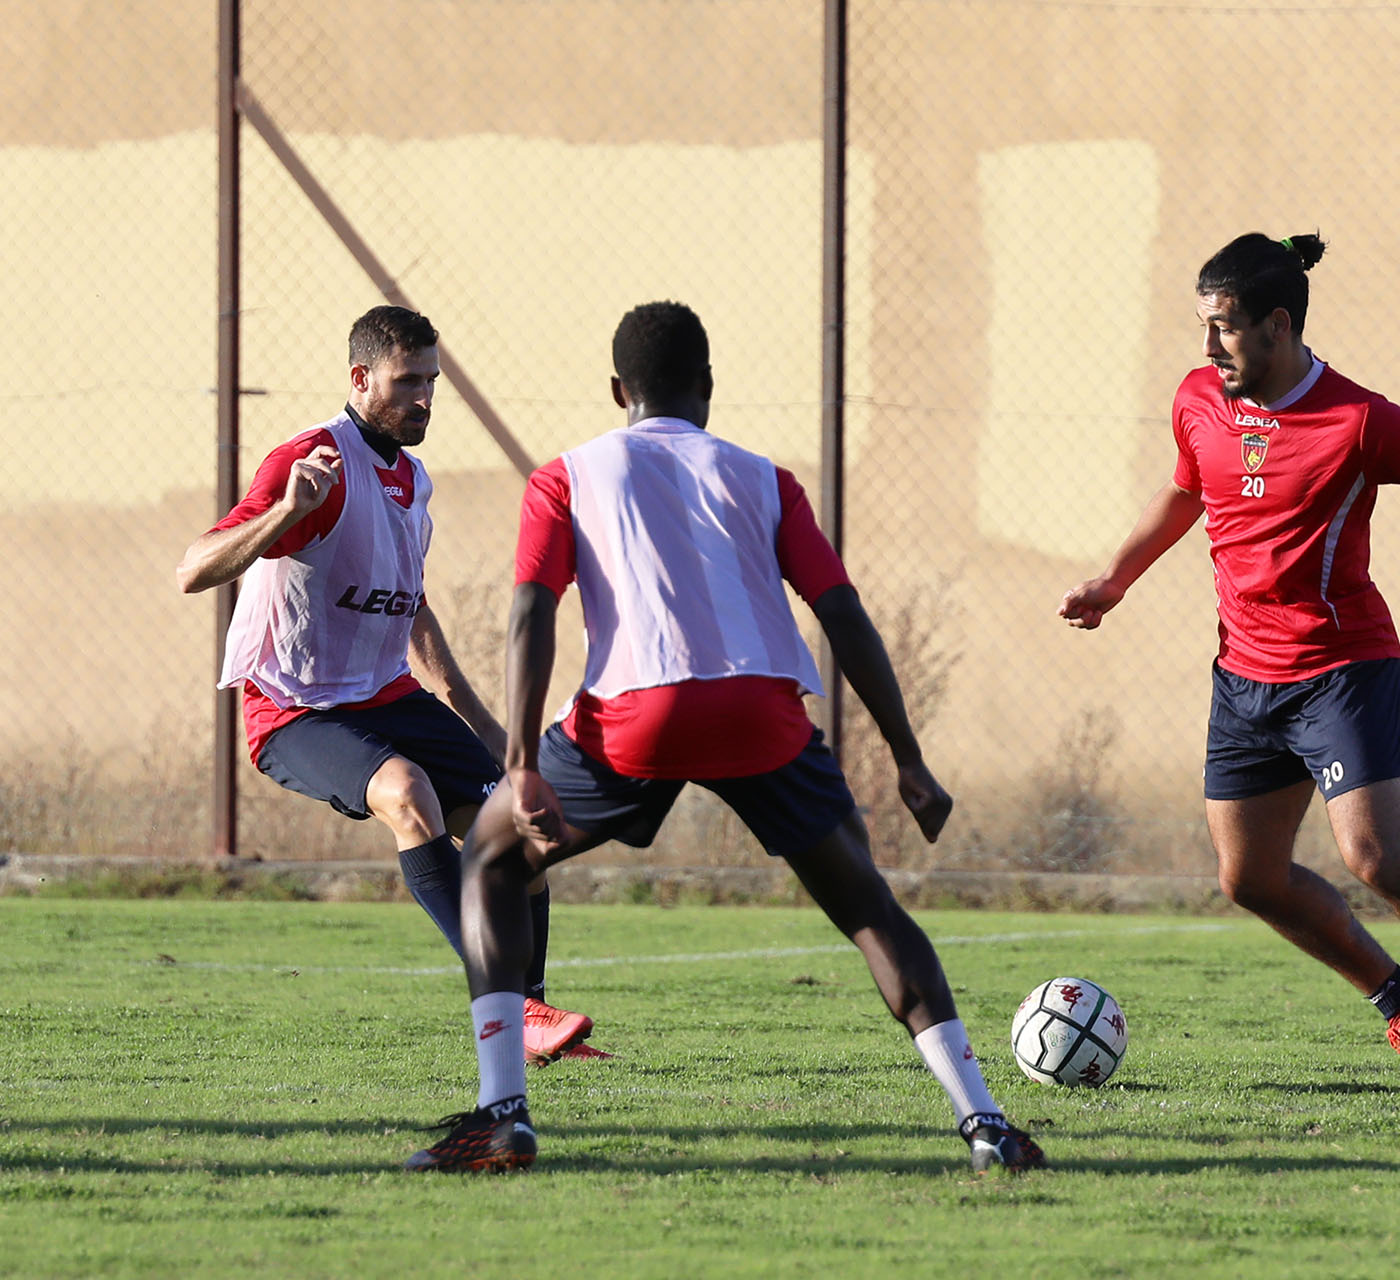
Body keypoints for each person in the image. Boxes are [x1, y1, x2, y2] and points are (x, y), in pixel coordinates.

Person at [403, 300, 1044, 1174]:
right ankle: (985, 1124)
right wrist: (908, 758)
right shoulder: (767, 479)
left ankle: (502, 1116)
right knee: (869, 910)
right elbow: (842, 613)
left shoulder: (565, 476)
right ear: (707, 385)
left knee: (490, 857)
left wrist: (518, 764)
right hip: (762, 713)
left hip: (635, 715)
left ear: (619, 390)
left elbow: (530, 613)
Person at [1060, 234, 1400, 1090]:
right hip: (1243, 676)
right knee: (1249, 879)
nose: (1207, 345)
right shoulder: (1198, 398)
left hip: (1343, 669)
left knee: (1375, 857)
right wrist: (1116, 579)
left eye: (1224, 327)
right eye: (1202, 325)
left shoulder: (1358, 420)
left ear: (1278, 325)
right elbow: (1188, 488)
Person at [176, 305, 598, 1065]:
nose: (425, 397)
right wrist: (284, 513)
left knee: (519, 831)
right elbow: (194, 569)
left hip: (387, 694)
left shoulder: (413, 479)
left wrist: (488, 729)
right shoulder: (313, 462)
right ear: (360, 378)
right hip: (296, 708)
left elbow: (411, 609)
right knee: (407, 792)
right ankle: (515, 1007)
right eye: (407, 381)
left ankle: (536, 1023)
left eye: (431, 381)